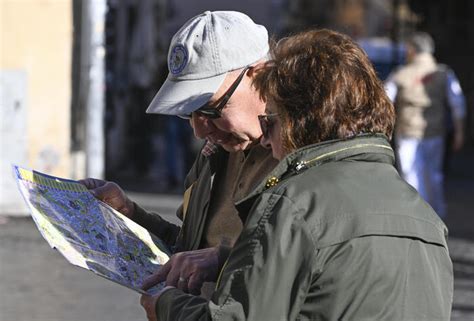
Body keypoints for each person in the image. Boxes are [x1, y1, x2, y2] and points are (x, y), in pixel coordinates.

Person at [140, 29, 453, 321]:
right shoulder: (426, 217)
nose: (265, 137)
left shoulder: (294, 202)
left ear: (302, 120)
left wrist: (167, 305)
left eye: (272, 121)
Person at [81, 11, 277, 296]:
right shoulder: (215, 154)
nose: (199, 130)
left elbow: (309, 269)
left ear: (258, 76)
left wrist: (223, 260)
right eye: (188, 112)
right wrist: (129, 214)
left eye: (211, 108)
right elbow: (190, 250)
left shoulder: (303, 161)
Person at [385, 31, 467, 218]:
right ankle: (436, 216)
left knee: (410, 176)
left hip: (407, 131)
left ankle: (415, 216)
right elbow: (457, 103)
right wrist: (459, 131)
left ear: (412, 50)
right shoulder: (444, 74)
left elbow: (385, 100)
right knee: (434, 176)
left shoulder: (401, 74)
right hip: (435, 132)